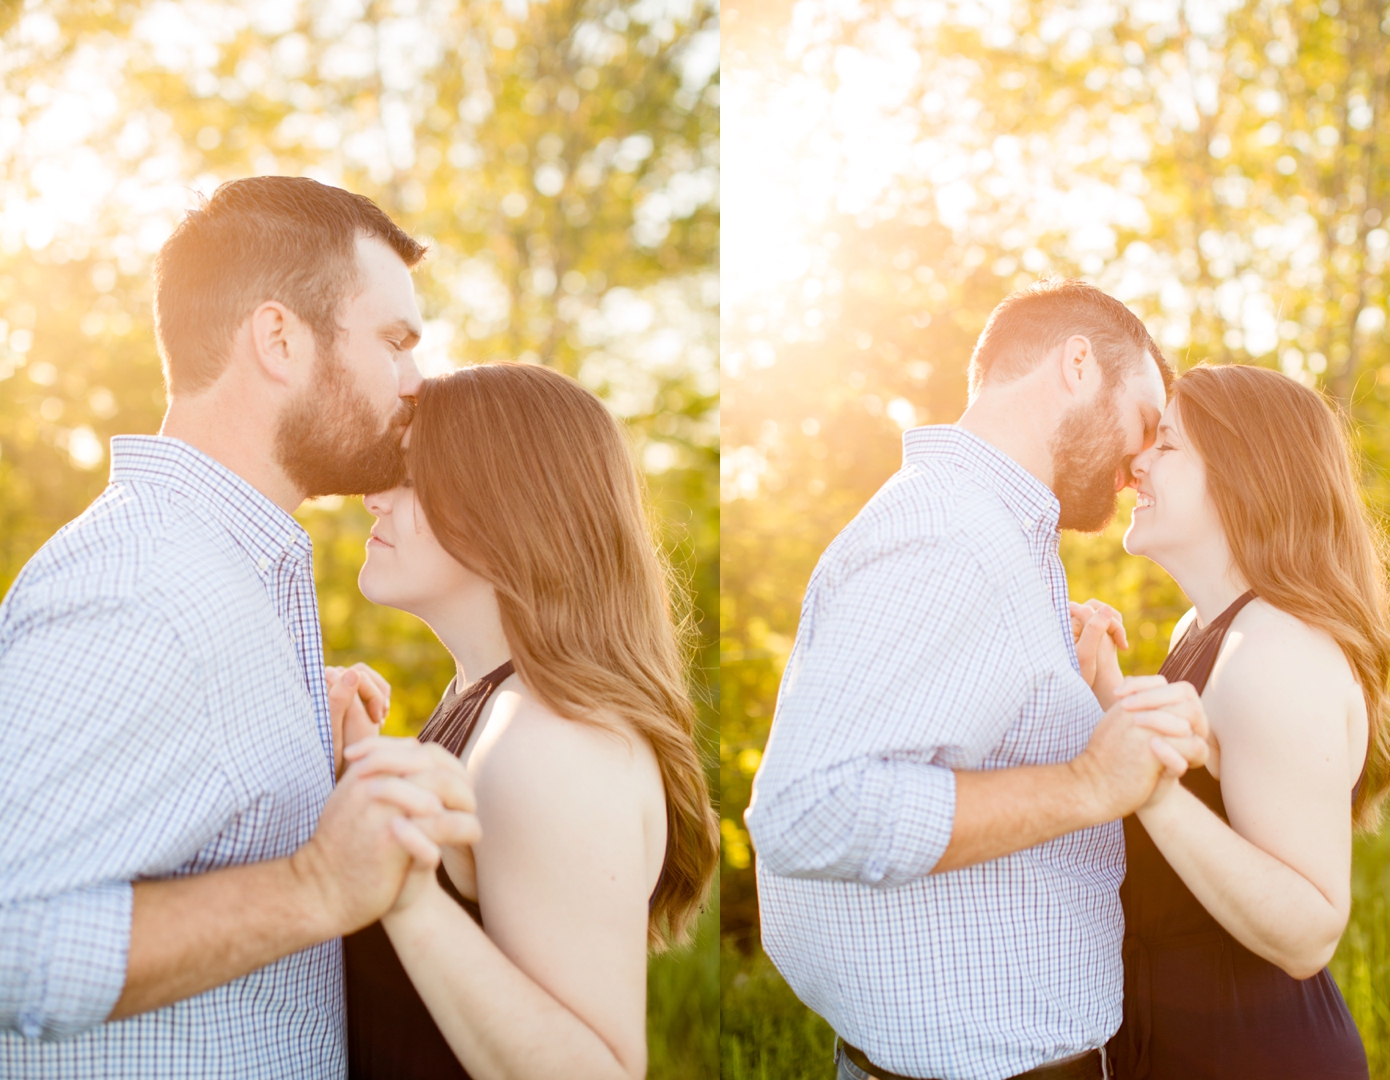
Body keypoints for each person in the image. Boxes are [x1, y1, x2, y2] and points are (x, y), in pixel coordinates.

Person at [0, 176, 477, 1077]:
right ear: (278, 338)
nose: (416, 381)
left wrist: (305, 756)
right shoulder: (139, 588)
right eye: (395, 341)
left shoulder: (220, 575)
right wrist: (314, 887)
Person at [746, 277, 1211, 1080]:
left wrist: (1061, 682)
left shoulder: (989, 534)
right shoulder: (953, 536)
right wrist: (1088, 784)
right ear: (1077, 365)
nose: (1142, 464)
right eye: (1144, 420)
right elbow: (809, 812)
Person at [339, 362, 720, 1080]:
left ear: (507, 509)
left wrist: (408, 895)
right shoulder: (489, 705)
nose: (373, 497)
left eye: (414, 477)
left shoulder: (551, 745)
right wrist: (358, 763)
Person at [1070, 363, 1390, 1078]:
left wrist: (1150, 789)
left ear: (1242, 474)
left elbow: (1309, 932)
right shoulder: (1206, 628)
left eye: (1167, 443)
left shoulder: (1276, 649)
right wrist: (1111, 698)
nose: (1137, 461)